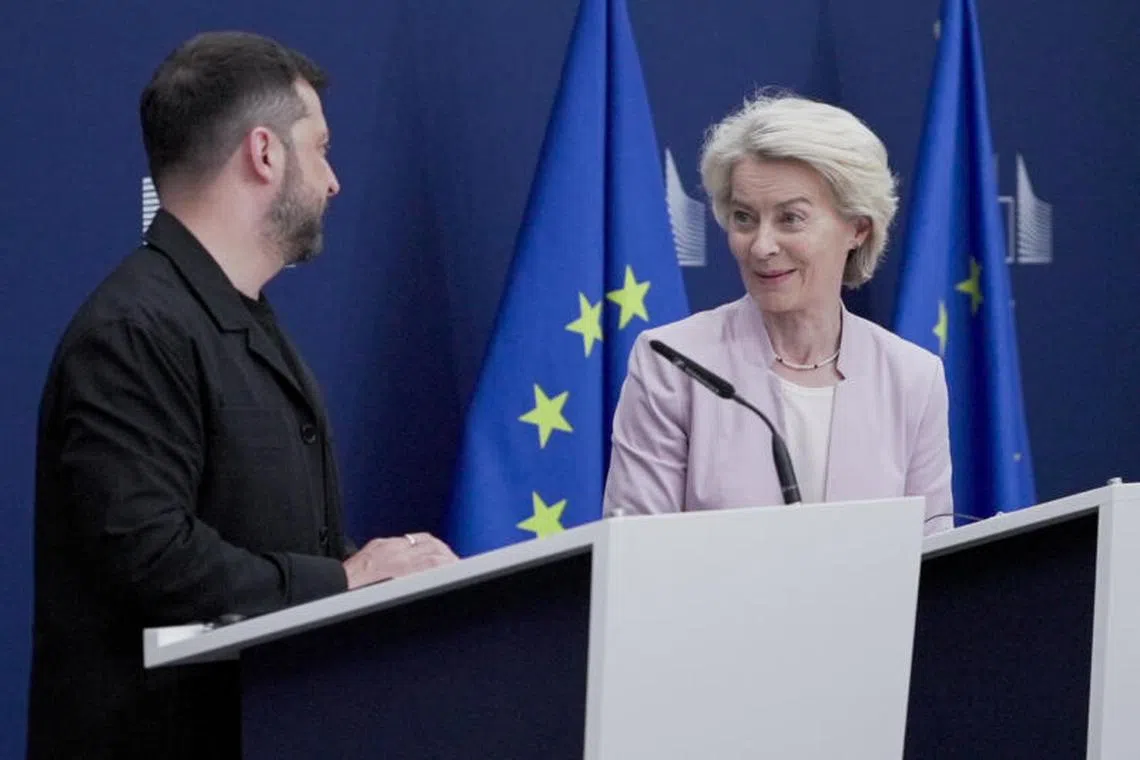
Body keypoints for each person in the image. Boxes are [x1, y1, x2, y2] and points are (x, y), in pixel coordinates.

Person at [27, 31, 457, 759]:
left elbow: (273, 543)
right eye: (319, 147)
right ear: (265, 153)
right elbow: (150, 558)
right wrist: (346, 579)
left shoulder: (237, 319)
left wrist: (375, 584)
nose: (332, 180)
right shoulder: (133, 331)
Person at [602, 91, 953, 533]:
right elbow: (639, 562)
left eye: (790, 219)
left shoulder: (912, 378)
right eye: (745, 218)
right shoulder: (674, 363)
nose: (762, 246)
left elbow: (931, 566)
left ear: (857, 229)